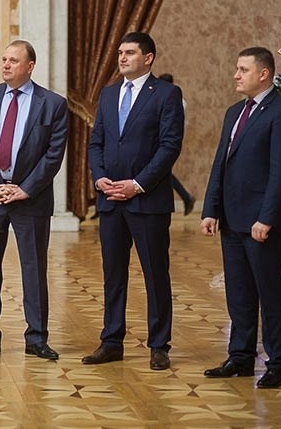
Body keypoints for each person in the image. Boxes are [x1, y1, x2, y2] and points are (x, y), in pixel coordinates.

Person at [200, 47, 281, 389]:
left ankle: (278, 363)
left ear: (264, 74)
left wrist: (267, 218)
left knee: (269, 293)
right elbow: (221, 163)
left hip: (262, 222)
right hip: (231, 219)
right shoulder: (234, 112)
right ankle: (240, 358)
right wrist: (210, 209)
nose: (236, 74)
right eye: (236, 68)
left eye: (243, 69)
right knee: (239, 292)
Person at [84, 32, 184, 371]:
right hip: (110, 200)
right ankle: (111, 341)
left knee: (155, 274)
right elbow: (96, 142)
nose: (122, 58)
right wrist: (99, 177)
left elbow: (169, 146)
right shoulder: (109, 94)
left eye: (129, 52)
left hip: (148, 202)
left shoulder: (167, 94)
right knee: (113, 274)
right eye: (120, 52)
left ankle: (159, 345)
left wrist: (137, 185)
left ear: (148, 57)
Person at [0, 39, 69, 360]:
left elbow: (53, 154)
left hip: (30, 199)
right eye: (4, 60)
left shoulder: (53, 104)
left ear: (30, 66)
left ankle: (36, 338)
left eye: (13, 60)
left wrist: (26, 188)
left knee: (33, 269)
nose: (6, 65)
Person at [158, 73, 195, 215]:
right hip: (167, 141)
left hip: (167, 142)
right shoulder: (176, 100)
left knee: (162, 171)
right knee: (163, 172)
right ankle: (186, 197)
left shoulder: (175, 100)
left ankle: (186, 197)